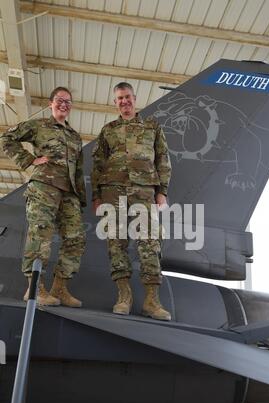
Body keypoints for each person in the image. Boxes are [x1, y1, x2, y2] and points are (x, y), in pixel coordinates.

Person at [92, 82, 172, 321]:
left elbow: (163, 160)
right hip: (112, 192)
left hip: (144, 191)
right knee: (116, 242)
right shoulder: (108, 130)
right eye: (119, 99)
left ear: (134, 99)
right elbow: (97, 165)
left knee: (149, 242)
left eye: (127, 97)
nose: (124, 102)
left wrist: (162, 191)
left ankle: (152, 300)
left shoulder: (152, 127)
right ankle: (124, 296)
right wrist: (96, 196)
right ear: (115, 103)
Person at [1, 87, 86, 307]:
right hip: (43, 187)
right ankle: (35, 287)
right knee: (40, 235)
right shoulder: (39, 126)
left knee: (75, 239)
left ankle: (60, 288)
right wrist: (29, 160)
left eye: (68, 102)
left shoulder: (75, 137)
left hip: (69, 193)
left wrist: (80, 198)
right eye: (60, 100)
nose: (64, 105)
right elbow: (7, 138)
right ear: (51, 103)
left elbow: (78, 169)